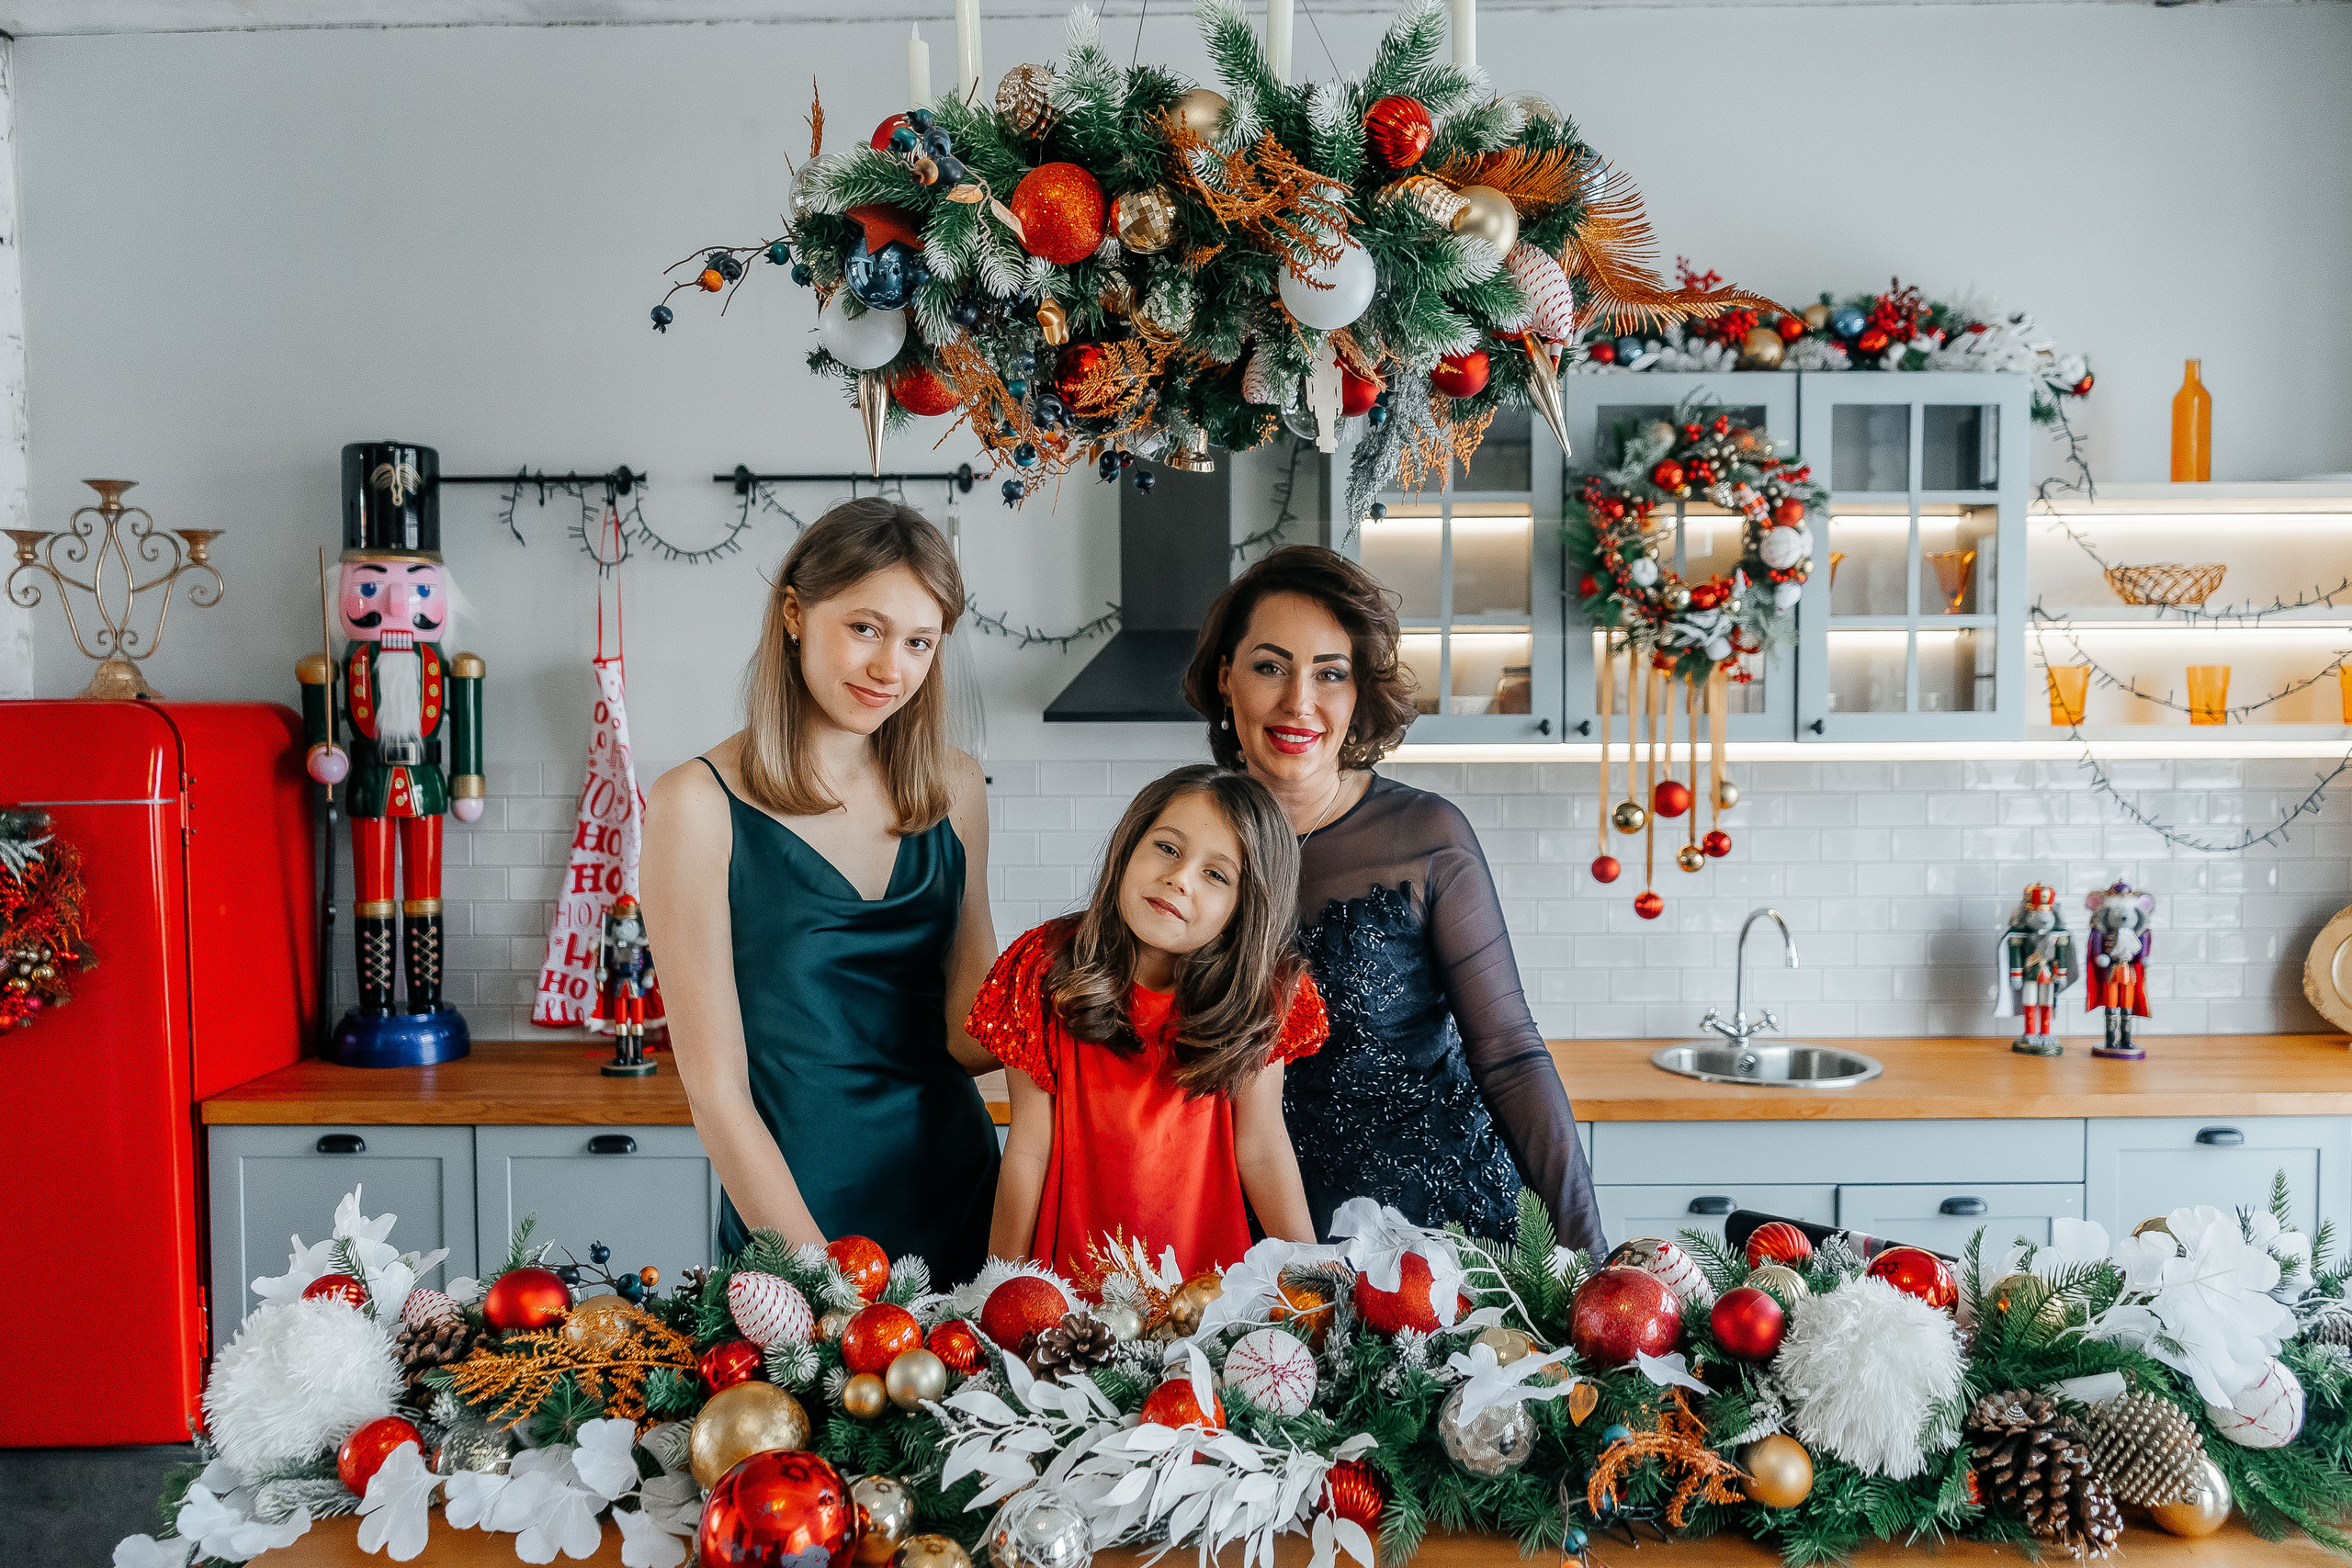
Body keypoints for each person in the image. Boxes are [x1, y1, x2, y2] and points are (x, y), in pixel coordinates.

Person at [1182, 546, 1606, 1252]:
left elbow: (1509, 1056)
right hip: (1254, 1243)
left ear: (1357, 693)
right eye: (1269, 666)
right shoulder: (1186, 839)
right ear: (1227, 678)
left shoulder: (1426, 835)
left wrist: (1591, 1258)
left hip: (1441, 1235)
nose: (1298, 701)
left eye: (1330, 673)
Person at [639, 500, 1001, 1282]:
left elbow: (972, 1031)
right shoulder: (694, 805)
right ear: (795, 612)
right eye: (865, 628)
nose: (890, 669)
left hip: (963, 1189)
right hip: (795, 1221)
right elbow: (717, 1092)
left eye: (918, 643)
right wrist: (822, 1283)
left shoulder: (955, 784)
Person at [969, 765, 1329, 1279]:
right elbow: (1028, 1149)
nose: (1179, 878)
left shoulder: (1262, 996)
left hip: (1207, 1294)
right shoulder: (1043, 969)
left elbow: (1263, 1148)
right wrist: (998, 1288)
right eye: (1167, 848)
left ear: (1245, 908)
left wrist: (1317, 1282)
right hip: (1068, 1290)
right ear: (1129, 846)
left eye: (1216, 874)